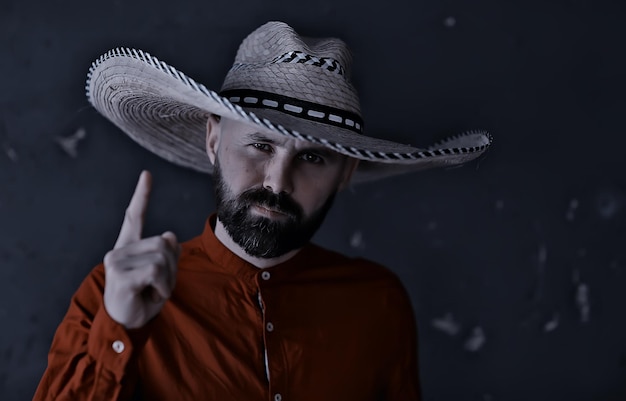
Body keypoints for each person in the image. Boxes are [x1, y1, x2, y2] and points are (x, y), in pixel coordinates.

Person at [33, 21, 491, 401]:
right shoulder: (113, 293)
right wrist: (119, 329)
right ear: (214, 140)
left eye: (313, 157)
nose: (277, 182)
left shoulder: (379, 303)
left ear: (346, 172)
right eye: (260, 144)